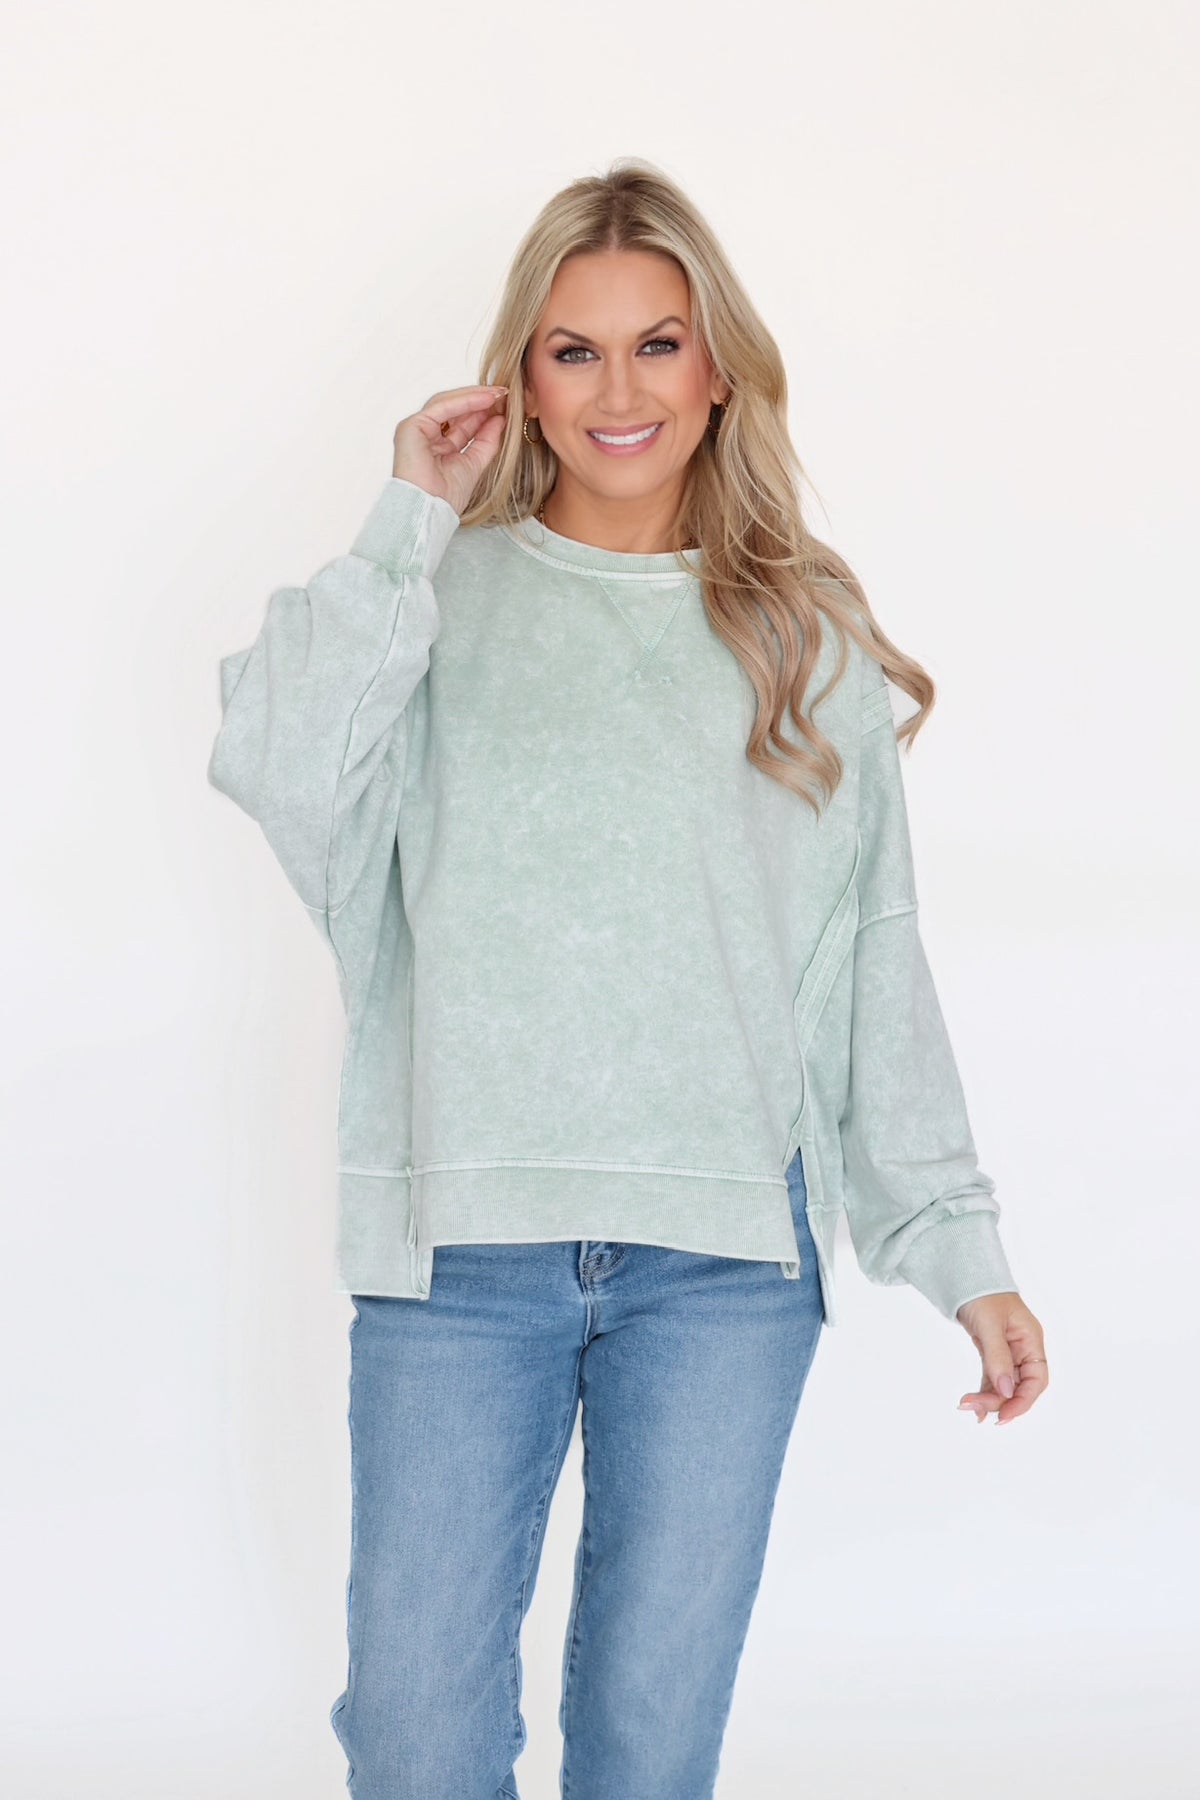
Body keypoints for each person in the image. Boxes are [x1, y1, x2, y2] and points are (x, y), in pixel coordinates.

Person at [208, 157, 1049, 1800]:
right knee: (417, 1742)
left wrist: (960, 1247)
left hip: (724, 1265)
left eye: (658, 344)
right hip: (465, 1251)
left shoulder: (804, 631)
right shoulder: (436, 597)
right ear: (521, 377)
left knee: (650, 1758)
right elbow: (275, 762)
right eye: (573, 350)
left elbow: (871, 959)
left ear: (719, 368)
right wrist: (407, 516)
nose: (618, 391)